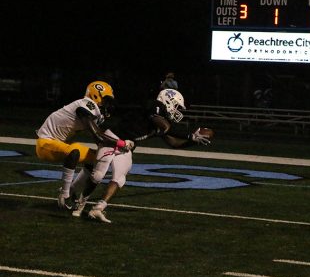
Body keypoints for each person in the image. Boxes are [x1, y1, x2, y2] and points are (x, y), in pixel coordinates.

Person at [70, 88, 211, 223]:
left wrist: (195, 141)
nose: (177, 111)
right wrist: (191, 135)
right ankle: (81, 203)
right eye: (176, 106)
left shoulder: (162, 120)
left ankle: (98, 208)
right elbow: (165, 127)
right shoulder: (155, 106)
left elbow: (174, 143)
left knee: (120, 178)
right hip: (113, 138)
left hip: (127, 147)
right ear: (168, 101)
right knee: (98, 175)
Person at [36, 81, 134, 209]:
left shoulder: (92, 110)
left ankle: (71, 190)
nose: (107, 105)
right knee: (74, 151)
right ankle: (64, 195)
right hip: (45, 144)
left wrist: (115, 145)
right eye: (106, 100)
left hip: (57, 144)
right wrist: (120, 143)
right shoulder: (86, 105)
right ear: (95, 96)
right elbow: (98, 136)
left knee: (95, 160)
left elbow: (99, 139)